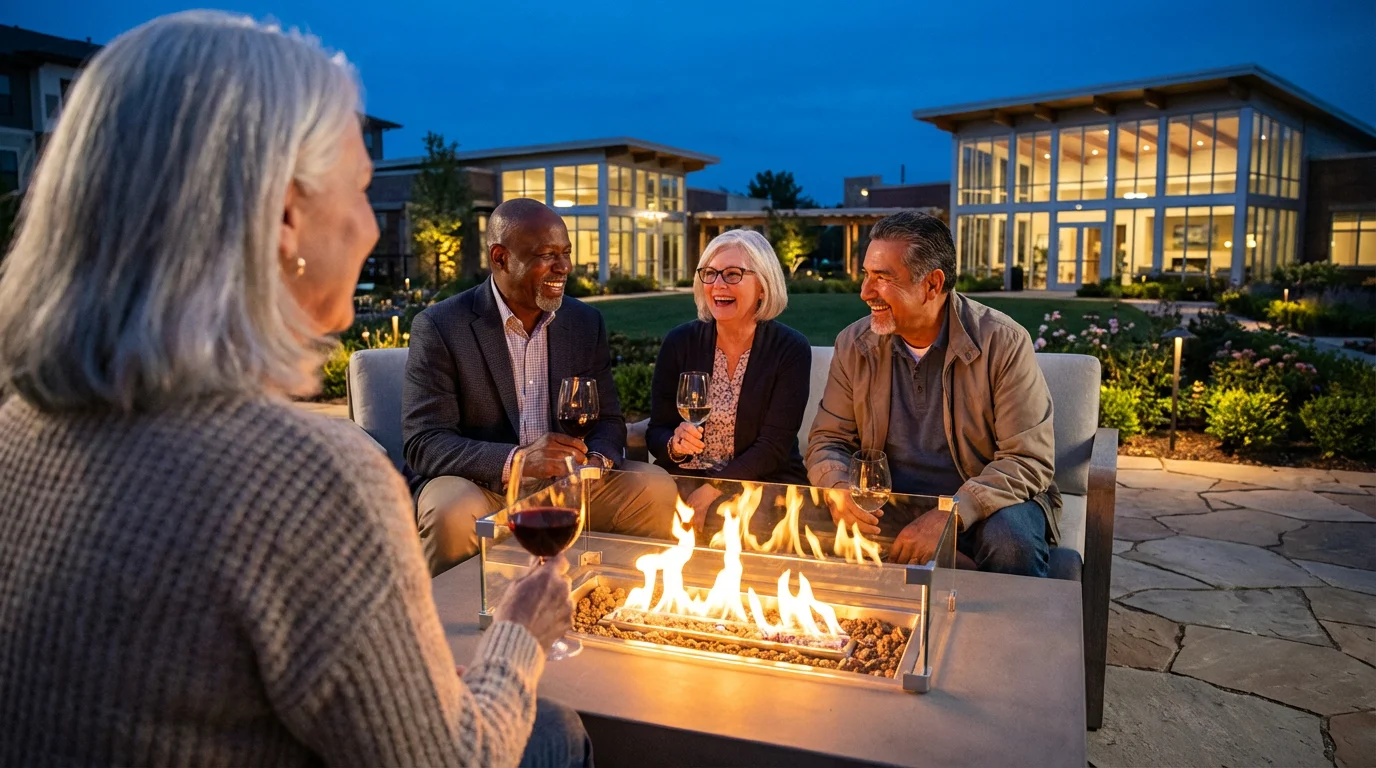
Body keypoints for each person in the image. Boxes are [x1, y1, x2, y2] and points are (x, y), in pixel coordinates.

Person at [0, 13, 588, 766]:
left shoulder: (19, 430)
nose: (372, 232)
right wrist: (517, 634)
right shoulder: (309, 482)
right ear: (283, 214)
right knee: (555, 730)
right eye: (360, 191)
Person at [404, 198, 675, 575]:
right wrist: (518, 462)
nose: (563, 267)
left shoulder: (583, 322)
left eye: (565, 253)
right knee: (449, 511)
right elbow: (425, 442)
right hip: (481, 486)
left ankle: (616, 603)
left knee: (654, 489)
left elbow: (608, 419)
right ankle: (454, 627)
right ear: (500, 257)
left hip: (570, 483)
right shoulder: (441, 326)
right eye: (547, 255)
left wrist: (594, 463)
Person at [806, 211, 1059, 577]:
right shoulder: (855, 344)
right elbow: (827, 440)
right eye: (866, 275)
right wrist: (839, 486)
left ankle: (1005, 632)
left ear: (932, 284)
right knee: (788, 514)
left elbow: (1027, 459)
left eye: (882, 278)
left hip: (984, 502)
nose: (865, 292)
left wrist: (950, 513)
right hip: (889, 502)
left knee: (1011, 542)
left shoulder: (1002, 342)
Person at [647, 230, 811, 509]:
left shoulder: (789, 348)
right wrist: (674, 444)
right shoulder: (680, 341)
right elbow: (657, 431)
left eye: (733, 274)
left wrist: (713, 491)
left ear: (763, 285)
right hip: (684, 479)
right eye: (710, 273)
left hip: (762, 484)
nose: (718, 284)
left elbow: (773, 447)